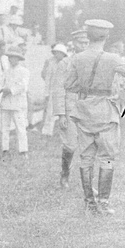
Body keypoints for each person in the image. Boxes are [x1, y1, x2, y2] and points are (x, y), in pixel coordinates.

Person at [64, 19, 125, 215]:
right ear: (106, 37)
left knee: (86, 157)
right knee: (107, 157)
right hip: (105, 111)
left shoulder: (77, 58)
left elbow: (69, 85)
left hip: (84, 110)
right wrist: (120, 85)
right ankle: (104, 203)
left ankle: (89, 202)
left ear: (87, 35)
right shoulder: (112, 58)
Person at [52, 29, 89, 189]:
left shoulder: (92, 63)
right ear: (74, 44)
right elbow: (59, 89)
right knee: (70, 145)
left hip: (89, 109)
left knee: (90, 145)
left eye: (87, 42)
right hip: (71, 109)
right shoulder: (65, 64)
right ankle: (65, 174)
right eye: (81, 42)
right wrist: (61, 114)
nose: (85, 45)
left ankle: (87, 180)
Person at [0, 46, 30, 158]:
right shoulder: (6, 71)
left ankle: (23, 151)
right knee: (5, 127)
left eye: (14, 57)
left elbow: (23, 86)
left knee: (20, 127)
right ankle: (5, 149)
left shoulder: (24, 71)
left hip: (17, 103)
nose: (11, 59)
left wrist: (10, 90)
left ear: (18, 59)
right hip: (6, 102)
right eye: (9, 57)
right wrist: (0, 88)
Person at [37, 43, 68, 135]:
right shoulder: (51, 63)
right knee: (50, 112)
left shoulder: (67, 63)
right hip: (53, 91)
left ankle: (66, 131)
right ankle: (47, 131)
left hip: (64, 90)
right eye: (56, 53)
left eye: (60, 53)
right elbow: (47, 78)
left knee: (66, 111)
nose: (58, 55)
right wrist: (46, 93)